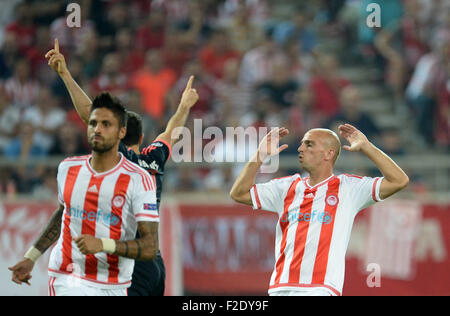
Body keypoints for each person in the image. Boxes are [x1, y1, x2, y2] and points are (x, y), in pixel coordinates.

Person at [43, 39, 199, 296]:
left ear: (120, 134)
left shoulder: (122, 161)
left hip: (131, 260)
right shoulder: (154, 158)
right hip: (155, 263)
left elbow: (87, 113)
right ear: (141, 139)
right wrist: (184, 106)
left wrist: (65, 74)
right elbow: (171, 131)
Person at [230, 124, 409, 296]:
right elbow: (238, 193)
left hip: (320, 288)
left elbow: (398, 181)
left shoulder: (348, 188)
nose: (300, 149)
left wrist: (368, 147)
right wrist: (260, 155)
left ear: (328, 154)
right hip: (280, 287)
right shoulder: (285, 187)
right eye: (301, 144)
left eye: (309, 144)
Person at [9, 92, 159, 296]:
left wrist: (103, 244)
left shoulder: (139, 179)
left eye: (106, 124)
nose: (97, 129)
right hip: (66, 277)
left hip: (113, 285)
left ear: (121, 132)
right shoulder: (67, 168)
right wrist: (32, 256)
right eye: (93, 123)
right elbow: (63, 213)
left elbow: (150, 247)